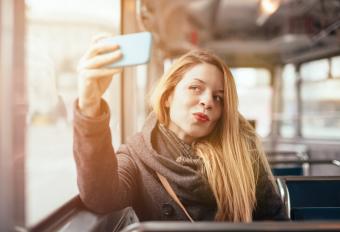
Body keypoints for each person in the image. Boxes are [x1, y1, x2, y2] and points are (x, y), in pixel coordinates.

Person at [73, 35, 288, 222]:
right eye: (196, 88)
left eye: (219, 97)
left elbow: (274, 219)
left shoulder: (241, 153)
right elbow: (101, 196)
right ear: (167, 97)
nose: (208, 101)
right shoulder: (137, 156)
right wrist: (90, 104)